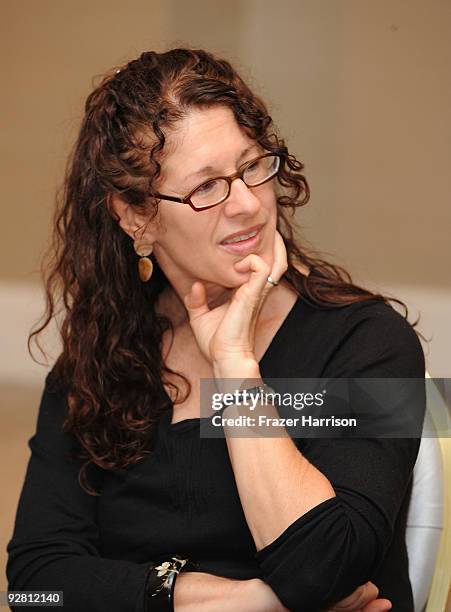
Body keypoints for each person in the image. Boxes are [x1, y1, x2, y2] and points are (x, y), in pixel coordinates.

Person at [7, 48, 425, 612]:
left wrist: (234, 367)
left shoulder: (368, 342)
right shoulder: (98, 363)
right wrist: (249, 601)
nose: (249, 205)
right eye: (206, 187)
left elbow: (323, 567)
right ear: (136, 217)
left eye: (253, 166)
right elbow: (35, 587)